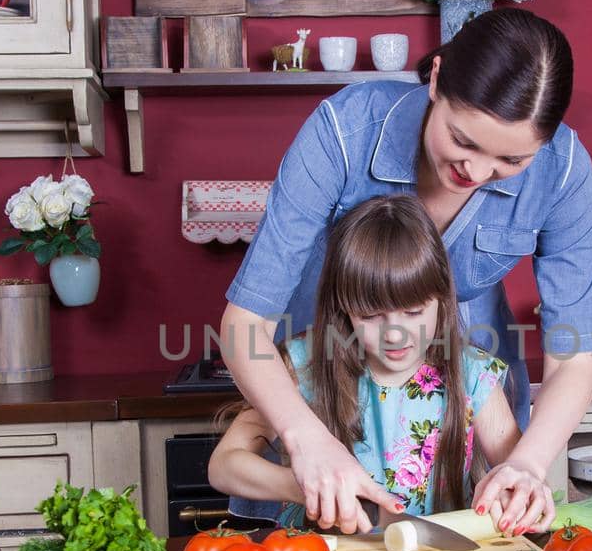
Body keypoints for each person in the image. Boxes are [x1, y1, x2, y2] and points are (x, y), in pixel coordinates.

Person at [220, 8, 592, 534]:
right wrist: (308, 443)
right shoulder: (346, 131)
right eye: (463, 141)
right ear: (437, 77)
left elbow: (573, 355)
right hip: (322, 397)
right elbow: (246, 323)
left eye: (512, 161)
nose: (477, 174)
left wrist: (526, 462)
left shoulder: (563, 174)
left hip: (447, 427)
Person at [209, 195, 551, 533]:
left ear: (441, 300)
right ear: (344, 307)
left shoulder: (472, 375)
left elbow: (516, 476)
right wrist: (301, 485)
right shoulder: (304, 366)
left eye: (414, 312)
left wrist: (515, 494)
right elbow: (224, 466)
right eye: (372, 316)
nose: (396, 334)